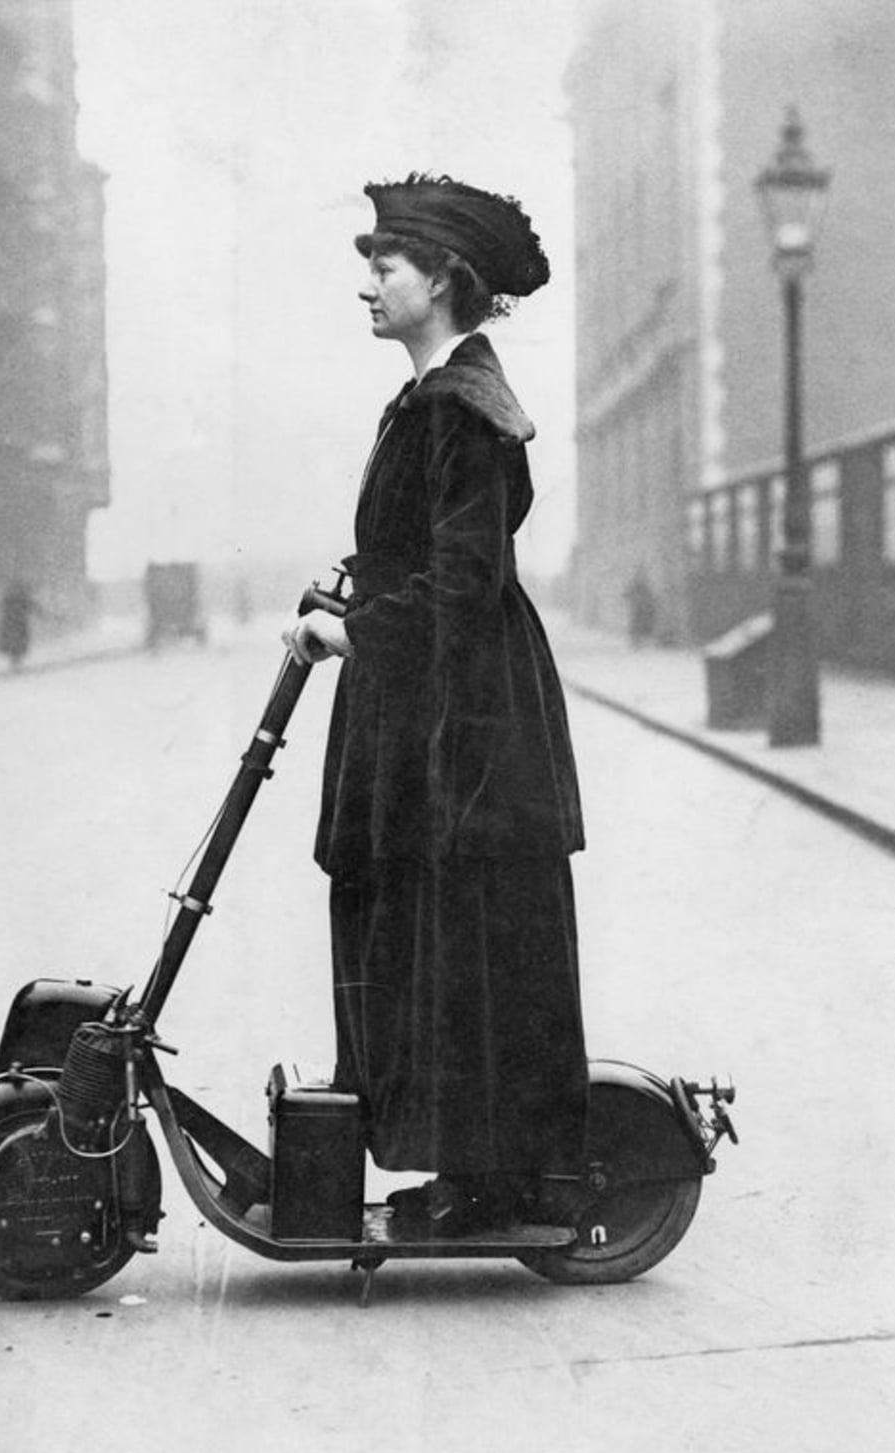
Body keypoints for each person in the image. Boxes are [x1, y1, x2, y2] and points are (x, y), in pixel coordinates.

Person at [282, 174, 588, 1237]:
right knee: (420, 924)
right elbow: (416, 555)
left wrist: (356, 630)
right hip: (428, 704)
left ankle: (488, 1176)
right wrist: (352, 596)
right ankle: (461, 1165)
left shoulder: (465, 410)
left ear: (444, 281)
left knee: (462, 934)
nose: (367, 283)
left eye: (386, 266)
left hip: (467, 723)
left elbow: (463, 584)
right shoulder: (429, 401)